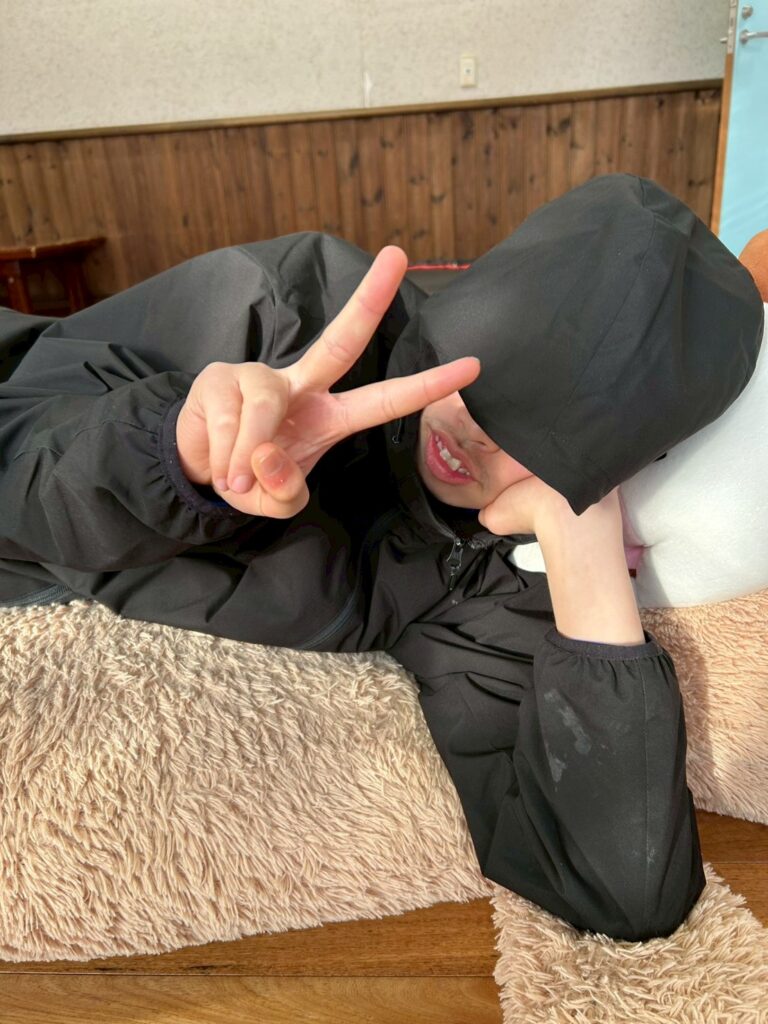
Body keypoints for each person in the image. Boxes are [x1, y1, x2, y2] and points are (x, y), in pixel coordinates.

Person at [0, 174, 763, 942]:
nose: (473, 436)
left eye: (536, 441)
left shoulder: (493, 561)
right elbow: (18, 444)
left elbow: (623, 891)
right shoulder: (291, 312)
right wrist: (169, 454)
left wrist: (586, 550)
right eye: (477, 381)